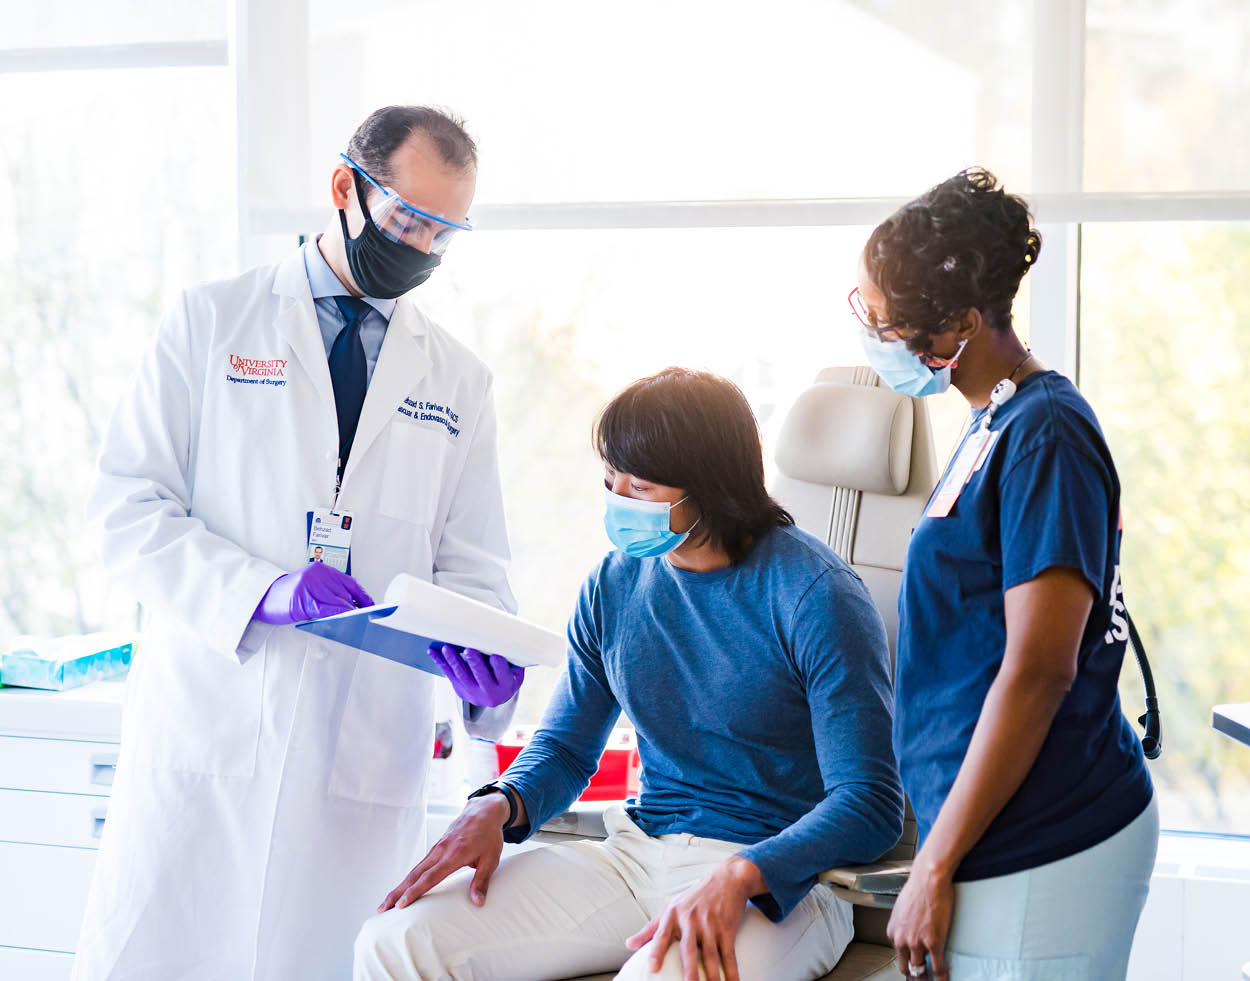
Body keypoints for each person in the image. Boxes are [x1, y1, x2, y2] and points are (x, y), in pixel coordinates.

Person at [73, 105, 525, 980]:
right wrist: (262, 591)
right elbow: (125, 508)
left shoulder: (459, 381)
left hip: (357, 762)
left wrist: (486, 655)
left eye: (444, 232)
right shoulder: (213, 323)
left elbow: (475, 566)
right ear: (343, 187)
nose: (422, 248)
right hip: (210, 730)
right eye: (405, 220)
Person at [353, 368, 904, 981]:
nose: (618, 505)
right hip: (636, 856)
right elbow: (564, 750)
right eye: (610, 484)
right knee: (395, 941)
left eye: (638, 489)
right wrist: (498, 805)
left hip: (781, 883)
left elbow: (871, 804)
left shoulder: (816, 596)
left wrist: (745, 873)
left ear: (711, 489)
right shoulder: (614, 586)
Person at [849, 168, 1157, 979]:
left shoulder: (1046, 432)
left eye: (879, 321)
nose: (871, 336)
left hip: (1050, 834)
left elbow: (1038, 670)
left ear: (957, 326)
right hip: (989, 834)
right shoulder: (995, 419)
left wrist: (934, 863)